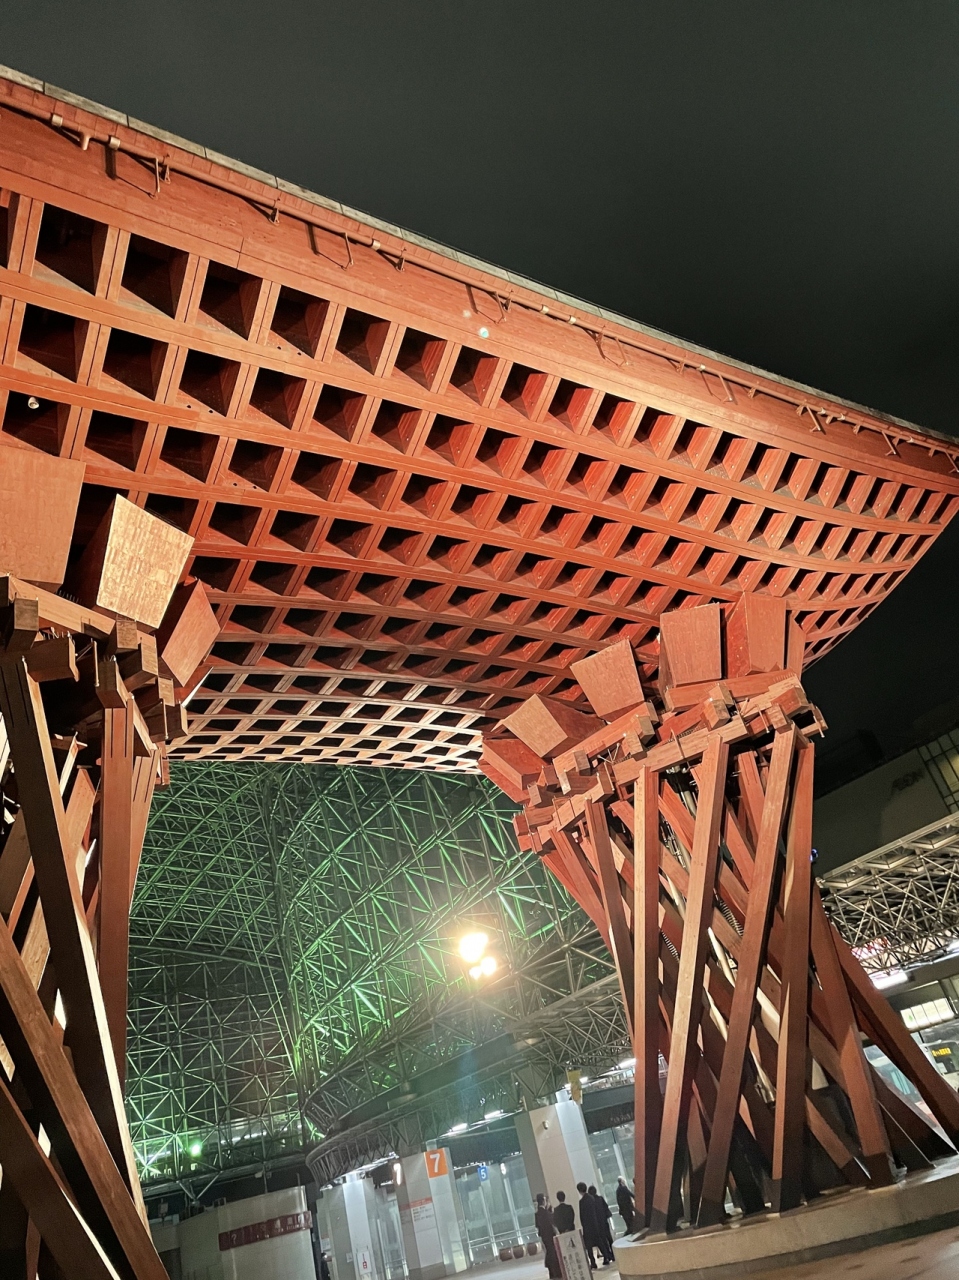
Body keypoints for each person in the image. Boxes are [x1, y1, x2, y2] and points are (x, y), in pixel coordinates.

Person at [575, 1181, 606, 1269]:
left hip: (587, 1226)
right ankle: (606, 1256)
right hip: (595, 1224)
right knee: (599, 1241)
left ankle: (593, 1262)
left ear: (579, 1191)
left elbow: (582, 1215)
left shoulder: (582, 1202)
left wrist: (583, 1225)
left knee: (589, 1246)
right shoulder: (592, 1198)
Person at [535, 1192, 562, 1279]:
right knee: (552, 1253)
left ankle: (552, 1272)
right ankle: (556, 1272)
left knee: (549, 1252)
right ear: (543, 1201)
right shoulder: (546, 1212)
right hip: (550, 1236)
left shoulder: (537, 1213)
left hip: (544, 1237)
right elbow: (552, 1222)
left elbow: (537, 1226)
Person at [588, 1185, 615, 1262]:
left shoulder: (591, 1202)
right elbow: (606, 1207)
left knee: (603, 1241)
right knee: (609, 1238)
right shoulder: (600, 1198)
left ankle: (608, 1255)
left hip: (598, 1225)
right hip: (604, 1222)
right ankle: (613, 1254)